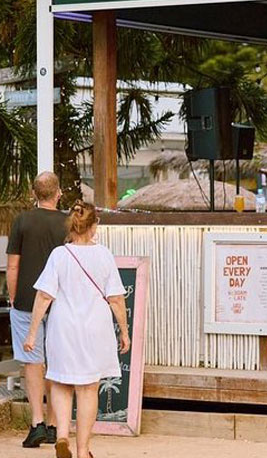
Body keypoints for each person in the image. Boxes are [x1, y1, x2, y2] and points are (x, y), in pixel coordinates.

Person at [23, 202, 130, 458]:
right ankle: (83, 451)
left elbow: (44, 296)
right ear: (93, 227)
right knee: (88, 389)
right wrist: (124, 331)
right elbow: (116, 298)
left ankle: (61, 435)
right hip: (95, 329)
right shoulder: (103, 255)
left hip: (63, 328)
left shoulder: (59, 255)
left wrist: (32, 332)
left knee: (60, 381)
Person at [7, 172, 67, 448]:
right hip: (61, 302)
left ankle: (37, 424)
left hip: (26, 303)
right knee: (57, 362)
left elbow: (14, 265)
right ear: (59, 193)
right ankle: (56, 425)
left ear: (34, 194)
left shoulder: (21, 221)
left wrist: (13, 297)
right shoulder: (69, 223)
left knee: (33, 362)